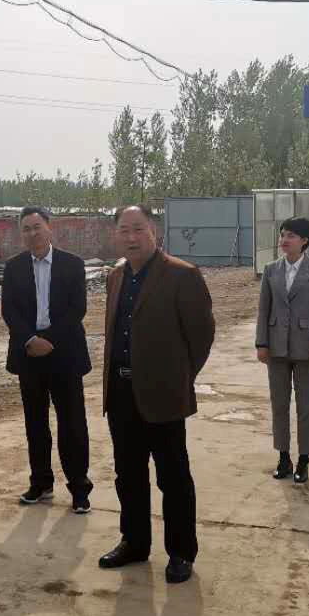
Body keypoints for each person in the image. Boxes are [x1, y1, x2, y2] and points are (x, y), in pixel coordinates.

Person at [98, 206, 215, 584]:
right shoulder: (116, 276)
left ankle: (181, 552)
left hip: (163, 394)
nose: (131, 237)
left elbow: (201, 336)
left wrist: (179, 377)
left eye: (139, 229)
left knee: (173, 477)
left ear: (155, 232)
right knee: (128, 475)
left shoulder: (182, 275)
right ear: (116, 235)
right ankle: (134, 542)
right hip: (120, 393)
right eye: (124, 230)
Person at [2, 206, 94, 513]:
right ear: (21, 234)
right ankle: (41, 482)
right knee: (35, 423)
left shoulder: (72, 264)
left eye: (37, 227)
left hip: (65, 354)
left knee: (73, 424)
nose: (32, 233)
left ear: (49, 228)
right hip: (29, 355)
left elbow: (77, 309)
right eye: (26, 229)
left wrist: (49, 340)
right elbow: (9, 310)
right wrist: (30, 340)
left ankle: (79, 487)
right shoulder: (13, 267)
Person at [255, 217, 309, 484]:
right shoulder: (271, 270)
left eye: (290, 236)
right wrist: (261, 343)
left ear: (304, 241)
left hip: (307, 349)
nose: (284, 240)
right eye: (282, 235)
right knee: (279, 405)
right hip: (276, 348)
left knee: (305, 407)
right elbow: (264, 309)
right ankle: (284, 457)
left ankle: (304, 460)